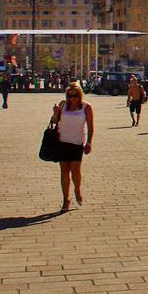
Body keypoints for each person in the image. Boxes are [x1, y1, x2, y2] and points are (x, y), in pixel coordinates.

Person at [52, 82, 93, 212]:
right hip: (62, 142)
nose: (72, 98)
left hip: (77, 143)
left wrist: (89, 142)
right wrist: (55, 113)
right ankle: (66, 199)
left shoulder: (86, 107)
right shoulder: (63, 104)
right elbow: (54, 121)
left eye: (75, 95)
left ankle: (77, 189)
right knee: (64, 171)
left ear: (79, 95)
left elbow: (90, 126)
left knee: (75, 171)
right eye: (70, 95)